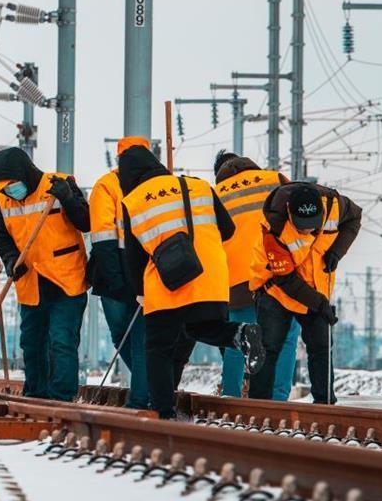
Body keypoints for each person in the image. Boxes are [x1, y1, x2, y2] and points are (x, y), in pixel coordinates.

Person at [118, 145, 265, 419]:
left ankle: (163, 410)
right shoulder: (198, 186)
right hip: (212, 276)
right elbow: (228, 229)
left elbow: (134, 257)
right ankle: (241, 333)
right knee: (202, 326)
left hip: (167, 284)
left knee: (158, 347)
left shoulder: (133, 202)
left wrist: (139, 292)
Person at [0, 147, 90, 401]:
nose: (10, 190)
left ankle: (61, 399)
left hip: (66, 280)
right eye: (4, 187)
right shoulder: (2, 200)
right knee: (31, 345)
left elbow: (87, 222)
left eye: (12, 184)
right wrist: (10, 259)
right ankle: (36, 397)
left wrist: (68, 198)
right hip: (30, 283)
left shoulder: (60, 184)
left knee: (62, 342)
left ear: (25, 174)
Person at [248, 182, 361, 404]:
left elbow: (354, 218)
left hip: (315, 287)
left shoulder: (334, 205)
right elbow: (286, 279)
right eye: (302, 227)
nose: (309, 230)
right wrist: (320, 304)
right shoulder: (273, 228)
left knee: (321, 346)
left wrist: (336, 252)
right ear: (290, 211)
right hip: (276, 290)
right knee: (268, 347)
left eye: (313, 225)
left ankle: (324, 403)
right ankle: (258, 406)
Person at [212, 151, 298, 398]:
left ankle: (230, 398)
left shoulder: (214, 194)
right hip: (276, 274)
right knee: (286, 338)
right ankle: (278, 400)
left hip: (236, 281)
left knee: (238, 338)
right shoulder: (275, 179)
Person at [87, 136, 152, 408]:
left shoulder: (109, 184)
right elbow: (103, 236)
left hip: (123, 269)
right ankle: (147, 382)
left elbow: (101, 237)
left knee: (134, 336)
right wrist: (116, 279)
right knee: (130, 336)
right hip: (125, 268)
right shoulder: (110, 185)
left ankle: (141, 396)